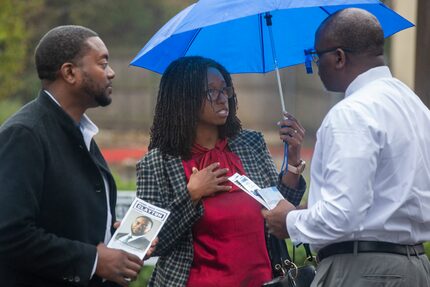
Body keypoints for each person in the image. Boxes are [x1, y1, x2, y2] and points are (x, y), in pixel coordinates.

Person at [263, 8, 430, 287]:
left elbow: (343, 216)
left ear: (339, 57)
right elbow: (380, 200)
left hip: (362, 270)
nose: (315, 65)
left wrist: (289, 221)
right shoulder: (415, 107)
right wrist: (309, 209)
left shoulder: (352, 112)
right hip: (414, 266)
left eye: (316, 56)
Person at [136, 56, 307, 287]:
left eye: (225, 89)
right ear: (185, 98)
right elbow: (149, 243)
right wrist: (191, 196)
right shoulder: (157, 164)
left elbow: (280, 211)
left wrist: (293, 162)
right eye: (211, 91)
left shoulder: (250, 144)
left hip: (263, 280)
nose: (222, 98)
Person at [0, 25, 146, 287]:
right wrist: (93, 261)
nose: (112, 73)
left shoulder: (81, 133)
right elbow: (9, 233)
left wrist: (120, 240)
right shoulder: (24, 134)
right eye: (103, 63)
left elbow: (66, 219)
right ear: (69, 72)